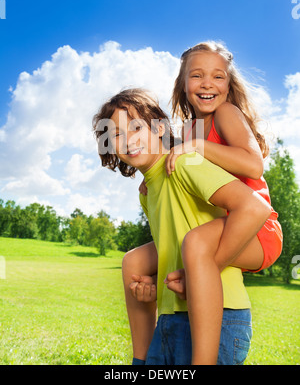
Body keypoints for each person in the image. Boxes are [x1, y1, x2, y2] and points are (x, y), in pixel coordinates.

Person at [92, 87, 272, 365]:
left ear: (160, 129)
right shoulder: (147, 191)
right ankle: (138, 360)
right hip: (170, 317)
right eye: (116, 134)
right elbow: (172, 246)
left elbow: (254, 207)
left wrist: (207, 268)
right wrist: (151, 288)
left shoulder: (184, 162)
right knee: (133, 262)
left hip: (221, 315)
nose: (128, 140)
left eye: (137, 127)